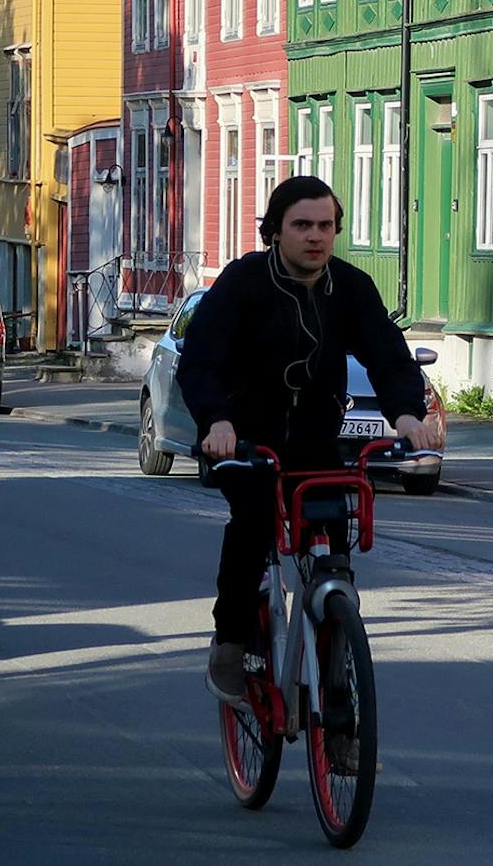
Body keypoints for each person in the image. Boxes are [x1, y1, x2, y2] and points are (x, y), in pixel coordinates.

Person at [178, 175, 444, 707]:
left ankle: (340, 704)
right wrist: (218, 423)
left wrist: (408, 416)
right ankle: (230, 643)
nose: (316, 236)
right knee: (253, 526)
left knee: (334, 557)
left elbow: (388, 357)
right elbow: (200, 362)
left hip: (317, 443)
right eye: (302, 225)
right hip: (247, 443)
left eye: (326, 226)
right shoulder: (243, 283)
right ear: (276, 230)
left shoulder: (350, 287)